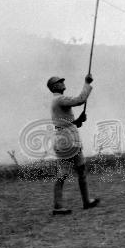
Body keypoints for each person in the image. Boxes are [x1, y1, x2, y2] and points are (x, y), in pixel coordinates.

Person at [48, 73, 99, 215]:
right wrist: (87, 83)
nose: (63, 82)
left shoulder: (58, 101)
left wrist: (78, 120)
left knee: (81, 170)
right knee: (63, 174)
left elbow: (66, 123)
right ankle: (57, 207)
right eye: (60, 81)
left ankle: (86, 201)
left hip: (70, 141)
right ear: (55, 87)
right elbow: (80, 100)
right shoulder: (59, 99)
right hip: (66, 142)